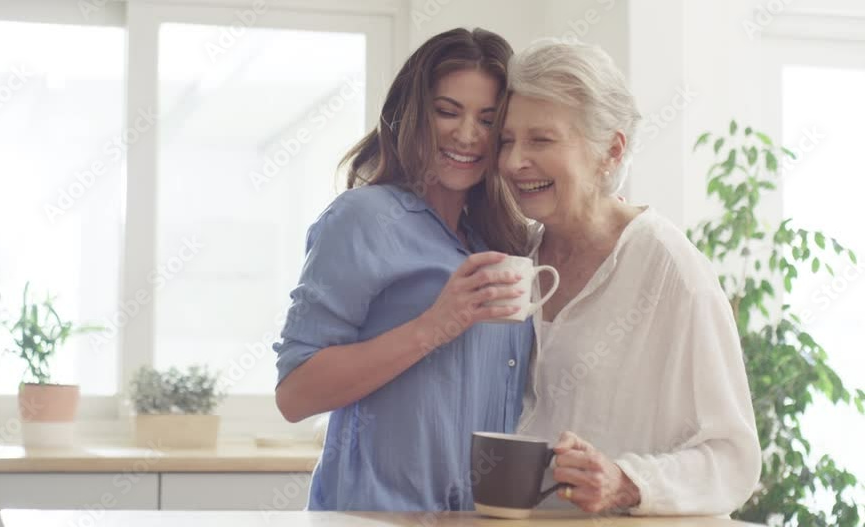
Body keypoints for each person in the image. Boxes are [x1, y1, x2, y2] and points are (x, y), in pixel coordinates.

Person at [273, 27, 537, 511]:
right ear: (412, 112)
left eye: (487, 118)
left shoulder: (503, 241)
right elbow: (295, 394)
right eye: (447, 111)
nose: (466, 134)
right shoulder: (363, 219)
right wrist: (434, 326)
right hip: (375, 515)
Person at [495, 40, 761, 516]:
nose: (514, 162)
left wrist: (629, 481)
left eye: (541, 140)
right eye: (508, 141)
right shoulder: (517, 256)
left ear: (610, 151)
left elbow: (733, 459)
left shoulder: (672, 272)